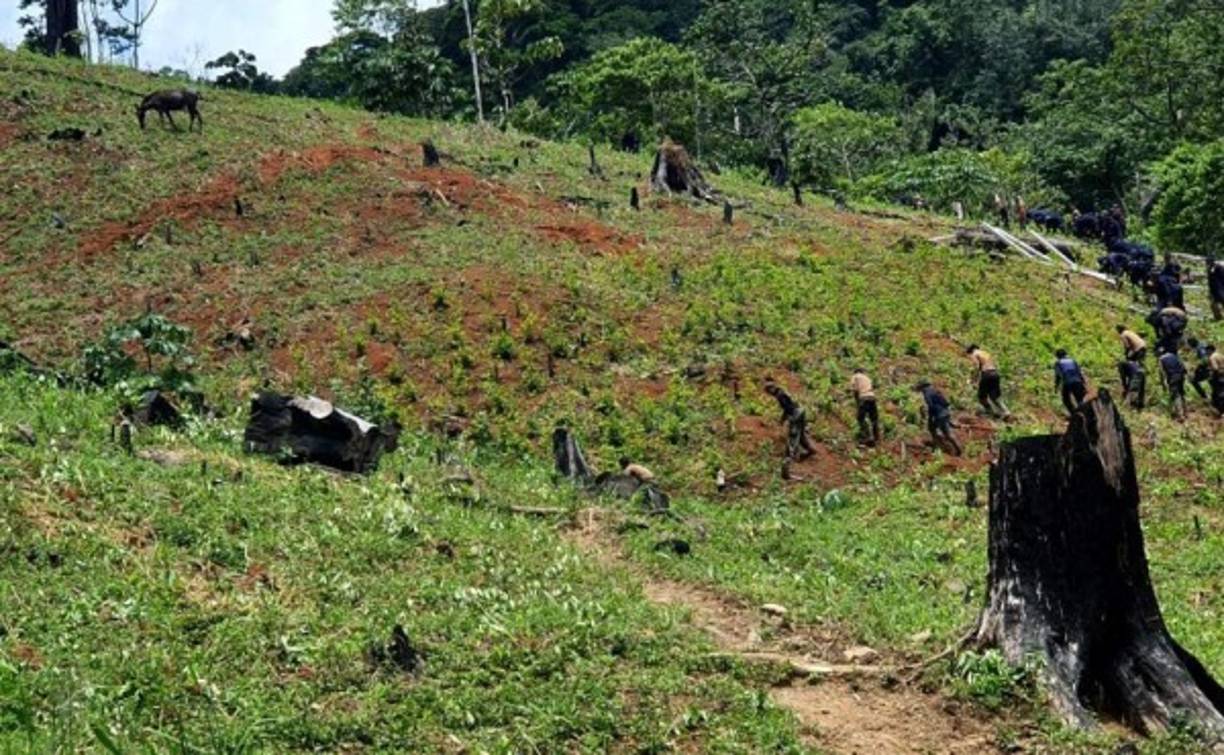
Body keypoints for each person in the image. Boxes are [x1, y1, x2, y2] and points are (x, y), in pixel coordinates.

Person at [764, 380, 815, 461]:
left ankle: (791, 456)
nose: (769, 394)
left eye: (768, 391)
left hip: (796, 413)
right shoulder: (782, 391)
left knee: (793, 433)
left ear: (771, 389)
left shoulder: (780, 395)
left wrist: (784, 419)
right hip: (800, 410)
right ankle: (810, 450)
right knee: (800, 434)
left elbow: (787, 408)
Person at [914, 380, 961, 456]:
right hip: (945, 413)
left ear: (922, 387)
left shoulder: (927, 394)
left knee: (932, 429)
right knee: (947, 433)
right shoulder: (935, 390)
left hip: (939, 415)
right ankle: (958, 450)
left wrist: (931, 418)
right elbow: (945, 402)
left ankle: (938, 446)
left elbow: (931, 406)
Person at [966, 345, 1010, 419]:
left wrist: (972, 379)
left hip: (987, 374)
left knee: (981, 396)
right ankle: (1006, 411)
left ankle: (990, 412)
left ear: (971, 351)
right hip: (995, 373)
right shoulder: (985, 353)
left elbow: (976, 366)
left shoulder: (975, 353)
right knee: (994, 396)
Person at [850, 368, 880, 446]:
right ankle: (876, 437)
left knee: (860, 418)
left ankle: (867, 437)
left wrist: (857, 402)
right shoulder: (867, 378)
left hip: (864, 398)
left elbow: (855, 390)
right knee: (874, 418)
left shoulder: (855, 376)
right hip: (872, 398)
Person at [1156, 348, 1188, 420]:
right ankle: (1186, 412)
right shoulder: (1173, 355)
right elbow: (1182, 364)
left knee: (1175, 396)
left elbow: (1161, 373)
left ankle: (1180, 415)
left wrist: (1163, 384)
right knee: (1182, 393)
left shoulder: (1161, 359)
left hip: (1173, 378)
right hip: (1180, 375)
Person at [1054, 349, 1088, 415]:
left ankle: (1073, 413)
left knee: (1066, 399)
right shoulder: (1073, 361)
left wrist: (1056, 387)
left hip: (1067, 383)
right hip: (1078, 382)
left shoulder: (1058, 363)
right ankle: (1084, 413)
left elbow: (1058, 376)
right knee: (1080, 399)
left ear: (1058, 356)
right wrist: (1083, 383)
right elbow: (1079, 372)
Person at [1209, 255, 1224, 322]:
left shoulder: (1219, 268)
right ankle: (1218, 317)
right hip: (1214, 289)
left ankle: (1219, 317)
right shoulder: (1210, 269)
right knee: (1214, 305)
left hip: (1220, 289)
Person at [1211, 347, 1224, 416]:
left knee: (1220, 394)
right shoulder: (1221, 355)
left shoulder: (1212, 357)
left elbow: (1215, 368)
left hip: (1219, 377)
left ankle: (1222, 411)